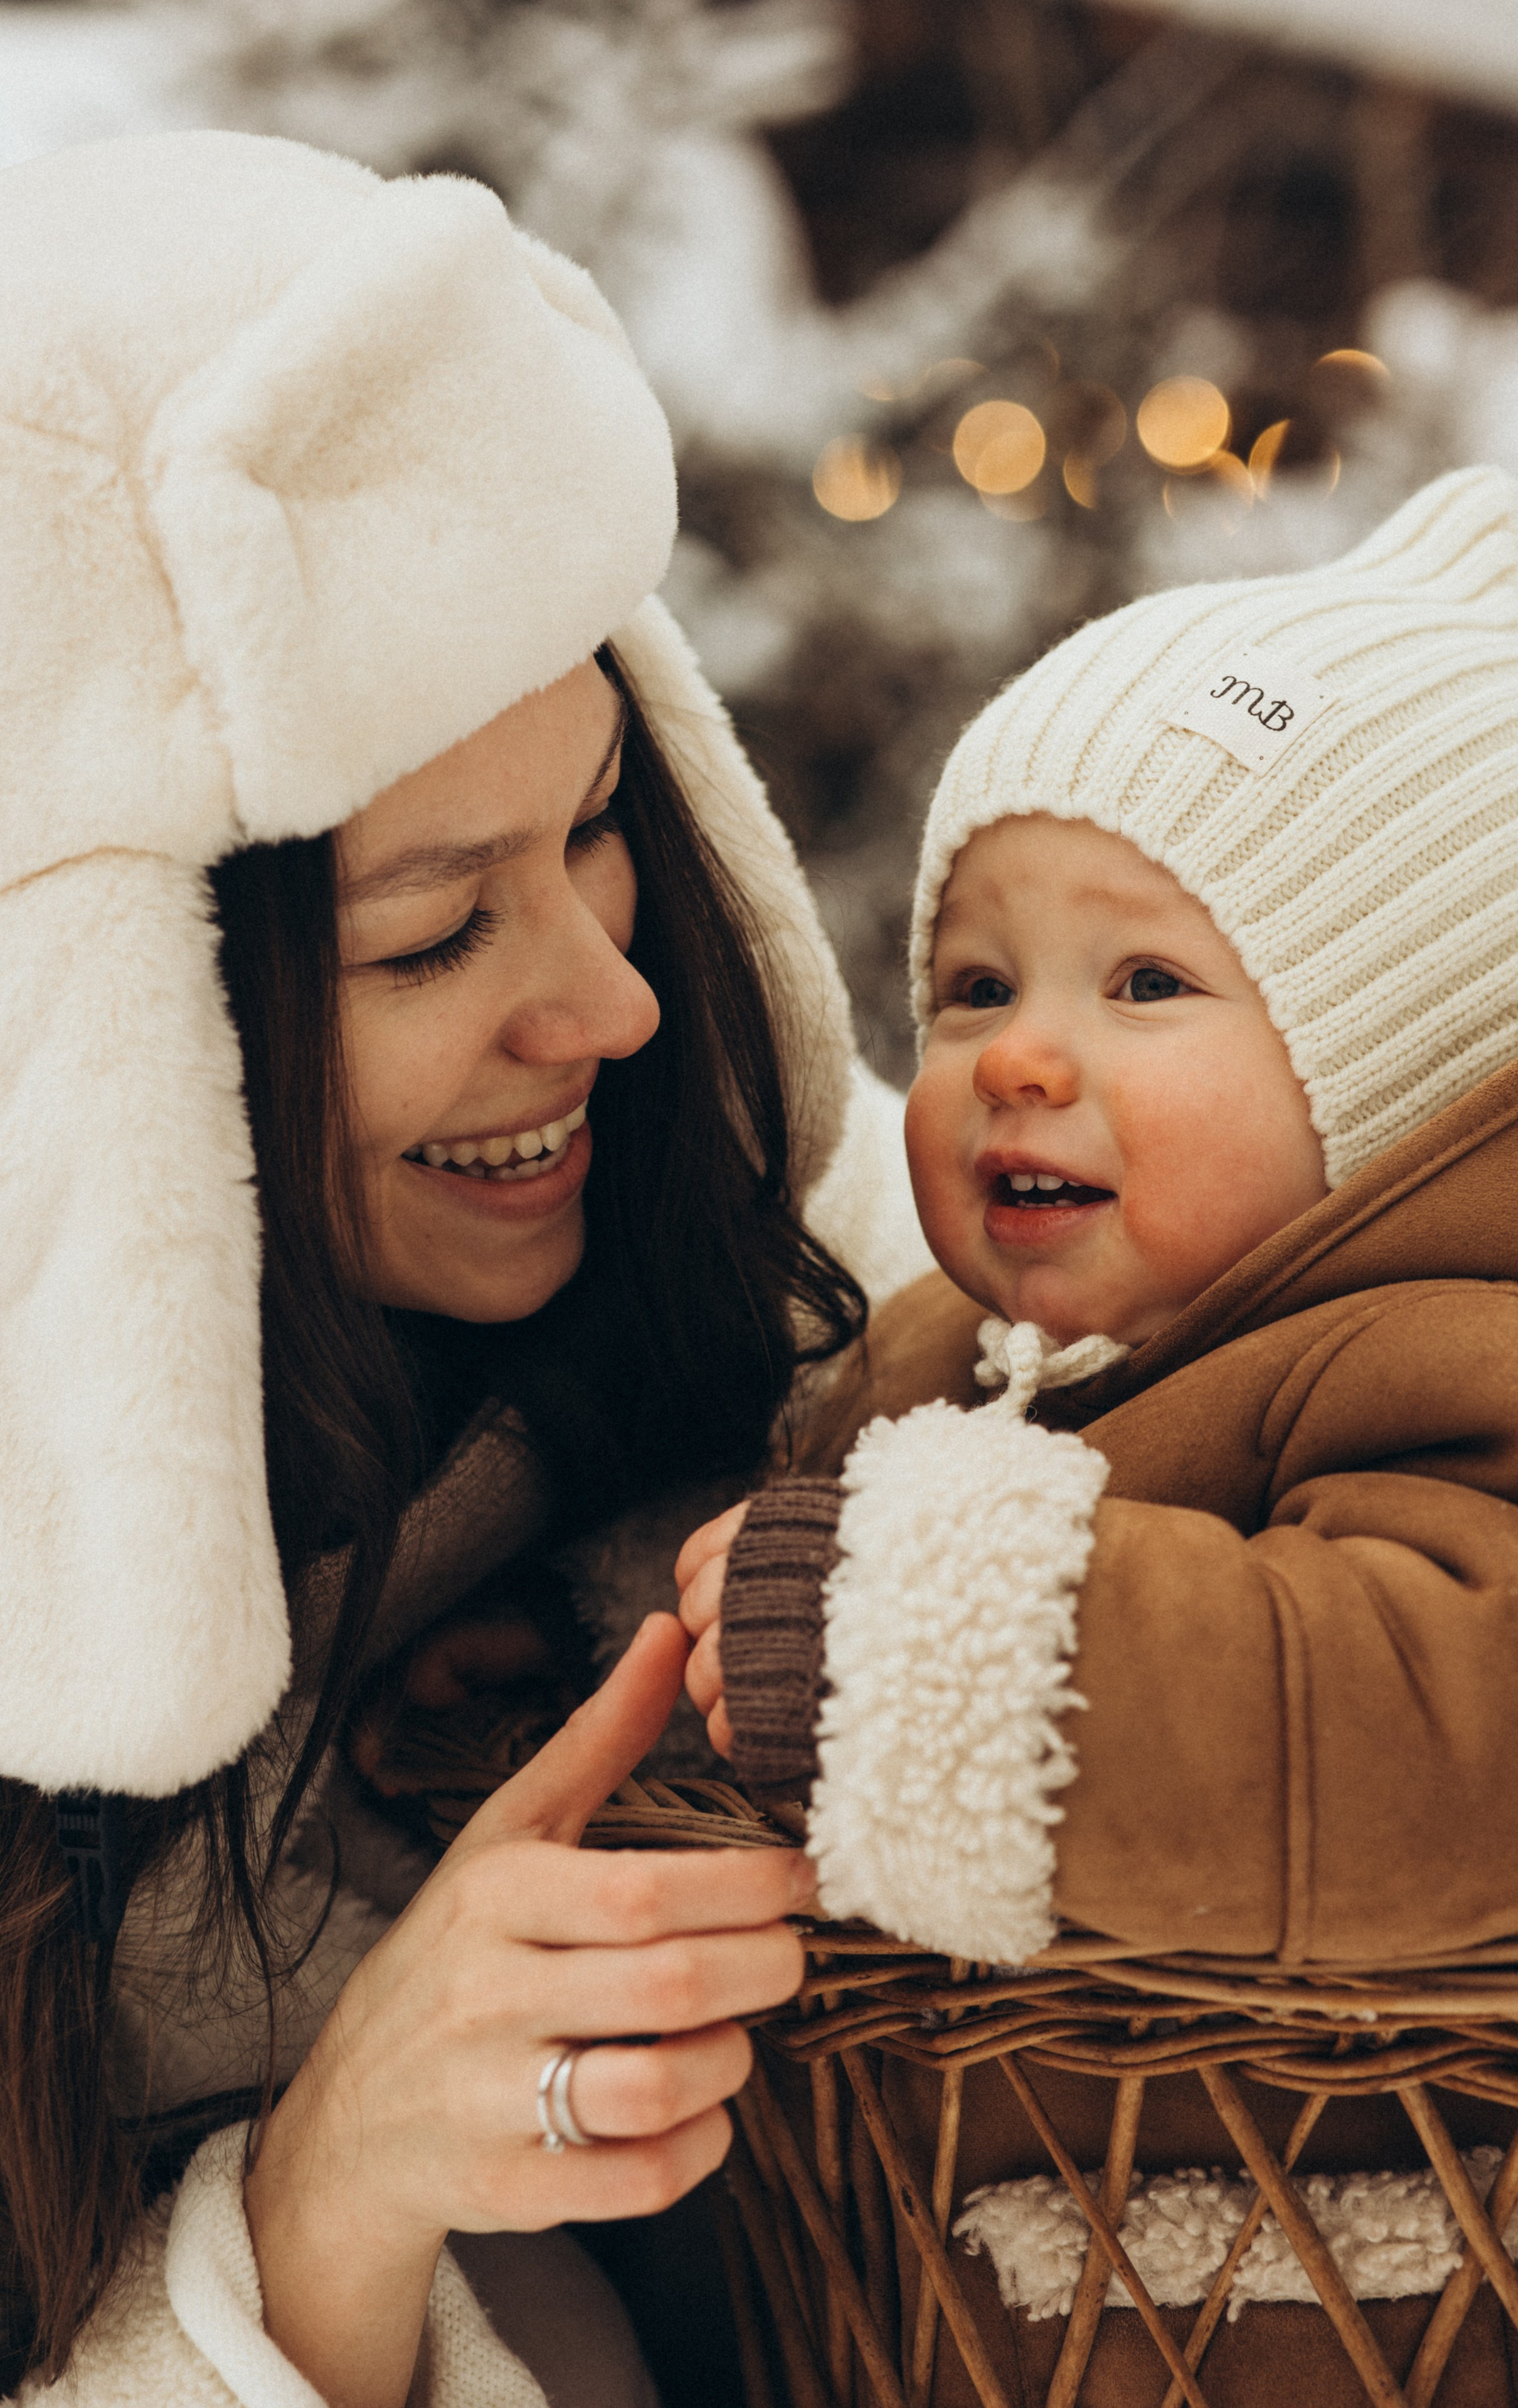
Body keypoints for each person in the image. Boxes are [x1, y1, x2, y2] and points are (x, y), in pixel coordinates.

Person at [0, 128, 930, 2405]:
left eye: (603, 820)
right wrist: (326, 2205)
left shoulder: (738, 1244)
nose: (610, 1004)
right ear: (109, 1061)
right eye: (430, 931)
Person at [680, 468, 1518, 2401]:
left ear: (1417, 1085)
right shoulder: (952, 1352)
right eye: (973, 984)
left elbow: (1480, 1714)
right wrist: (636, 1622)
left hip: (1368, 2302)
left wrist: (924, 1628)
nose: (1019, 1053)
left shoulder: (1474, 1358)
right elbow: (782, 1578)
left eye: (1150, 984)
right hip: (942, 2290)